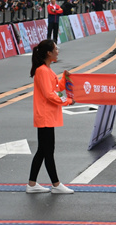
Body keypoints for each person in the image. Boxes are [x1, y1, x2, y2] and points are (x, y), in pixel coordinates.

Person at [27, 40, 75, 194]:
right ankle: (56, 184)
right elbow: (49, 94)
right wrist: (67, 101)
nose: (58, 51)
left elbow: (56, 88)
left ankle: (32, 184)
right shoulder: (42, 71)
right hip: (45, 115)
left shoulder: (47, 70)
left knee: (43, 150)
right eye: (56, 49)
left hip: (48, 115)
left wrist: (64, 79)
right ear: (49, 53)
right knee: (48, 151)